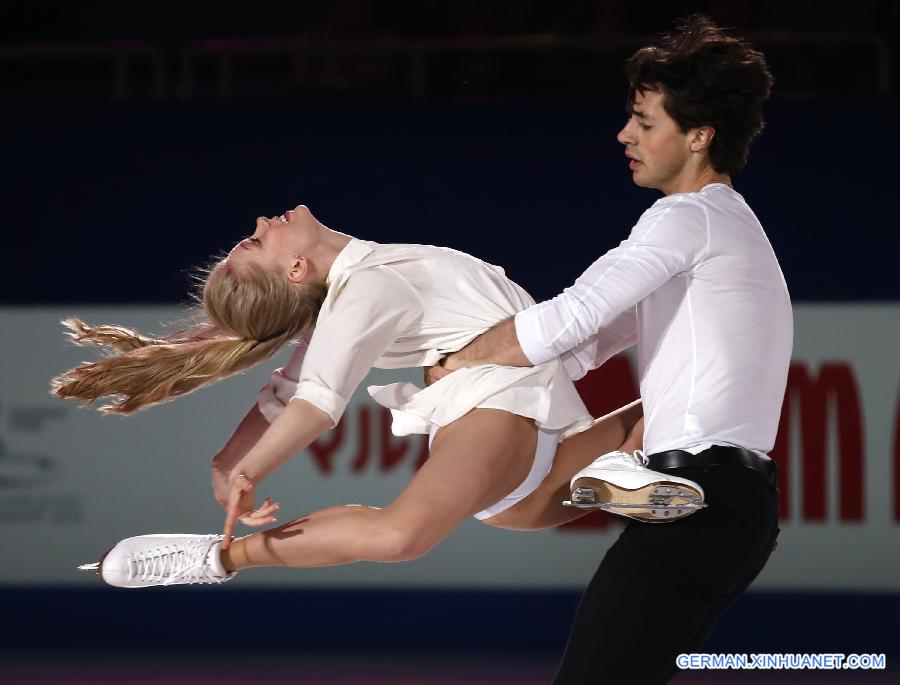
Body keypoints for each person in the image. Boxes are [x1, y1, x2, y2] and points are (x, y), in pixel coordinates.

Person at [53, 204, 705, 589]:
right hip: (499, 423)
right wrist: (247, 466)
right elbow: (312, 401)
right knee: (399, 534)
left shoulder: (355, 293)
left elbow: (285, 394)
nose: (260, 221)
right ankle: (214, 556)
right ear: (295, 270)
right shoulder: (365, 287)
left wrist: (227, 459)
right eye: (257, 241)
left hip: (515, 487)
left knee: (689, 391)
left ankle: (611, 475)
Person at [435, 15, 791, 685]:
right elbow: (587, 344)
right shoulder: (727, 227)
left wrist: (457, 364)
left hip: (697, 499)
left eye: (644, 121)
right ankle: (613, 469)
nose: (624, 134)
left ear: (698, 136)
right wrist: (491, 377)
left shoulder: (685, 218)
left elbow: (572, 316)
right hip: (736, 508)